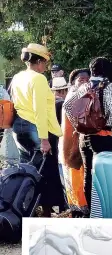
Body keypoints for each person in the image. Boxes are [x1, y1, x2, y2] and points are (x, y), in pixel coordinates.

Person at [64, 57, 112, 210]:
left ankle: (91, 211)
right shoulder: (107, 85)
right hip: (102, 135)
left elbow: (67, 105)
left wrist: (79, 124)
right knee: (104, 175)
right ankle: (104, 209)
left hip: (84, 137)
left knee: (88, 174)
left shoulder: (84, 86)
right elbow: (111, 102)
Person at [10, 43, 66, 217]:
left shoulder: (17, 77)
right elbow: (40, 110)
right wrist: (44, 138)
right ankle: (47, 211)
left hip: (18, 126)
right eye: (45, 63)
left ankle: (26, 207)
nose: (46, 67)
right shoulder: (39, 79)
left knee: (27, 169)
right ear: (39, 61)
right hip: (36, 127)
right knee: (45, 170)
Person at [59, 68, 91, 217]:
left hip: (75, 143)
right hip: (72, 144)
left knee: (77, 175)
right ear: (73, 83)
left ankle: (79, 207)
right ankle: (79, 209)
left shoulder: (82, 95)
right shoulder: (74, 96)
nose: (85, 82)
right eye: (81, 80)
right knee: (75, 176)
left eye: (87, 79)